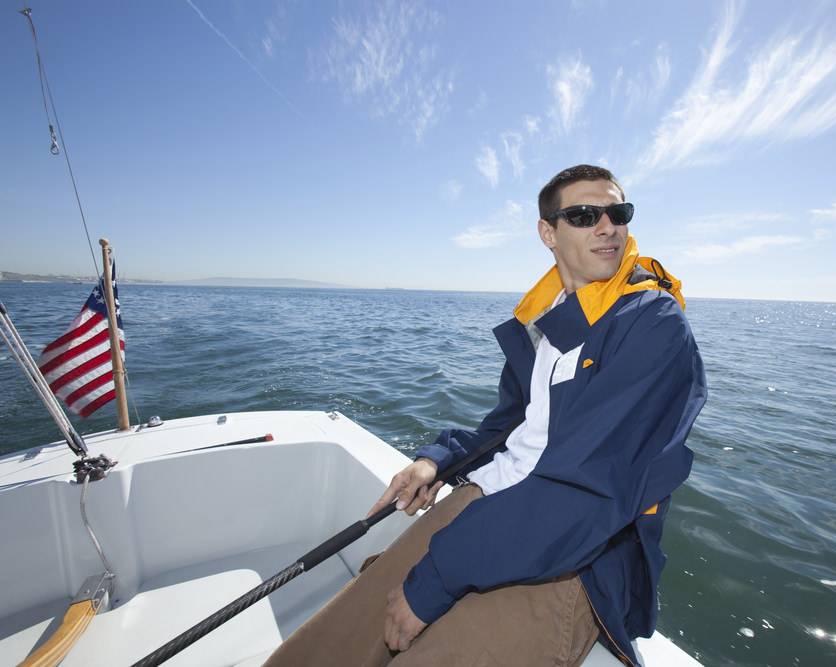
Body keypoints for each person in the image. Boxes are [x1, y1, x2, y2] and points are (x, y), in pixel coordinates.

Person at [265, 164, 707, 666]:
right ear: (548, 233)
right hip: (488, 501)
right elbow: (510, 427)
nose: (607, 227)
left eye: (617, 213)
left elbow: (589, 490)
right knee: (317, 651)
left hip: (574, 554)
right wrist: (437, 461)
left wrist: (433, 580)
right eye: (584, 215)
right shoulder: (553, 321)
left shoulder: (652, 326)